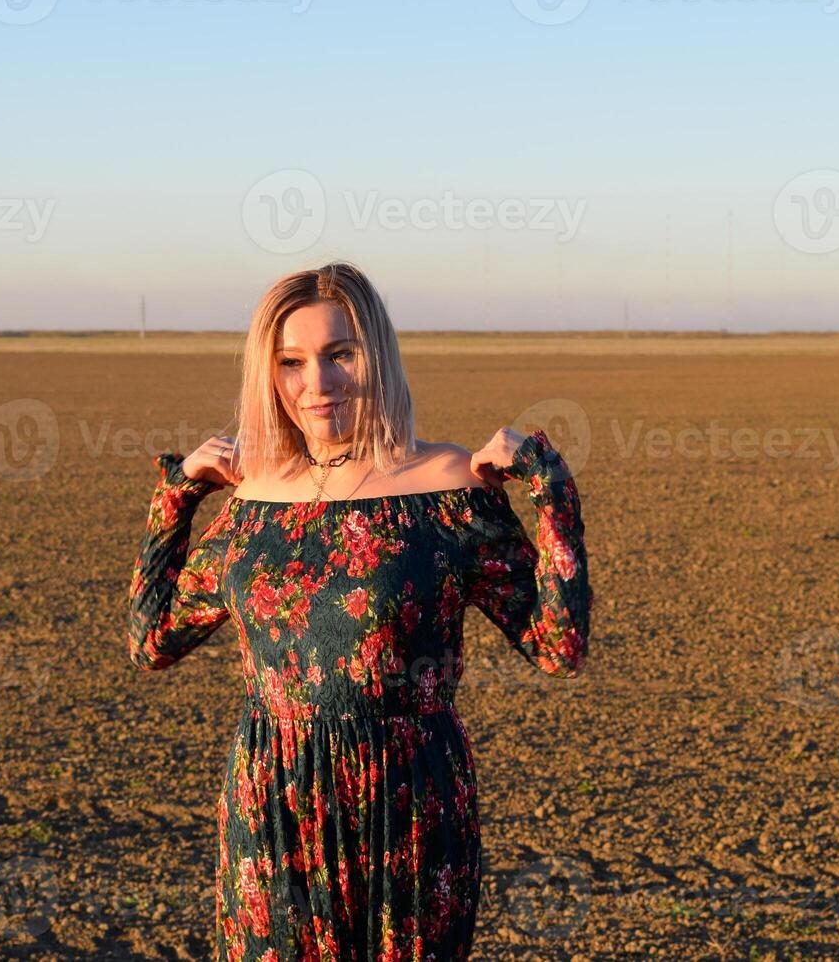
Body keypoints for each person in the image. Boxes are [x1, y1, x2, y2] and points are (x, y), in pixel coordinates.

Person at [127, 262, 592, 960]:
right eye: (291, 361)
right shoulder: (253, 502)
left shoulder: (449, 488)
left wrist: (550, 490)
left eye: (340, 354)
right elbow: (152, 639)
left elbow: (559, 647)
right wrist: (178, 497)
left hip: (410, 810)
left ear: (376, 353)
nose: (317, 384)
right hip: (272, 811)